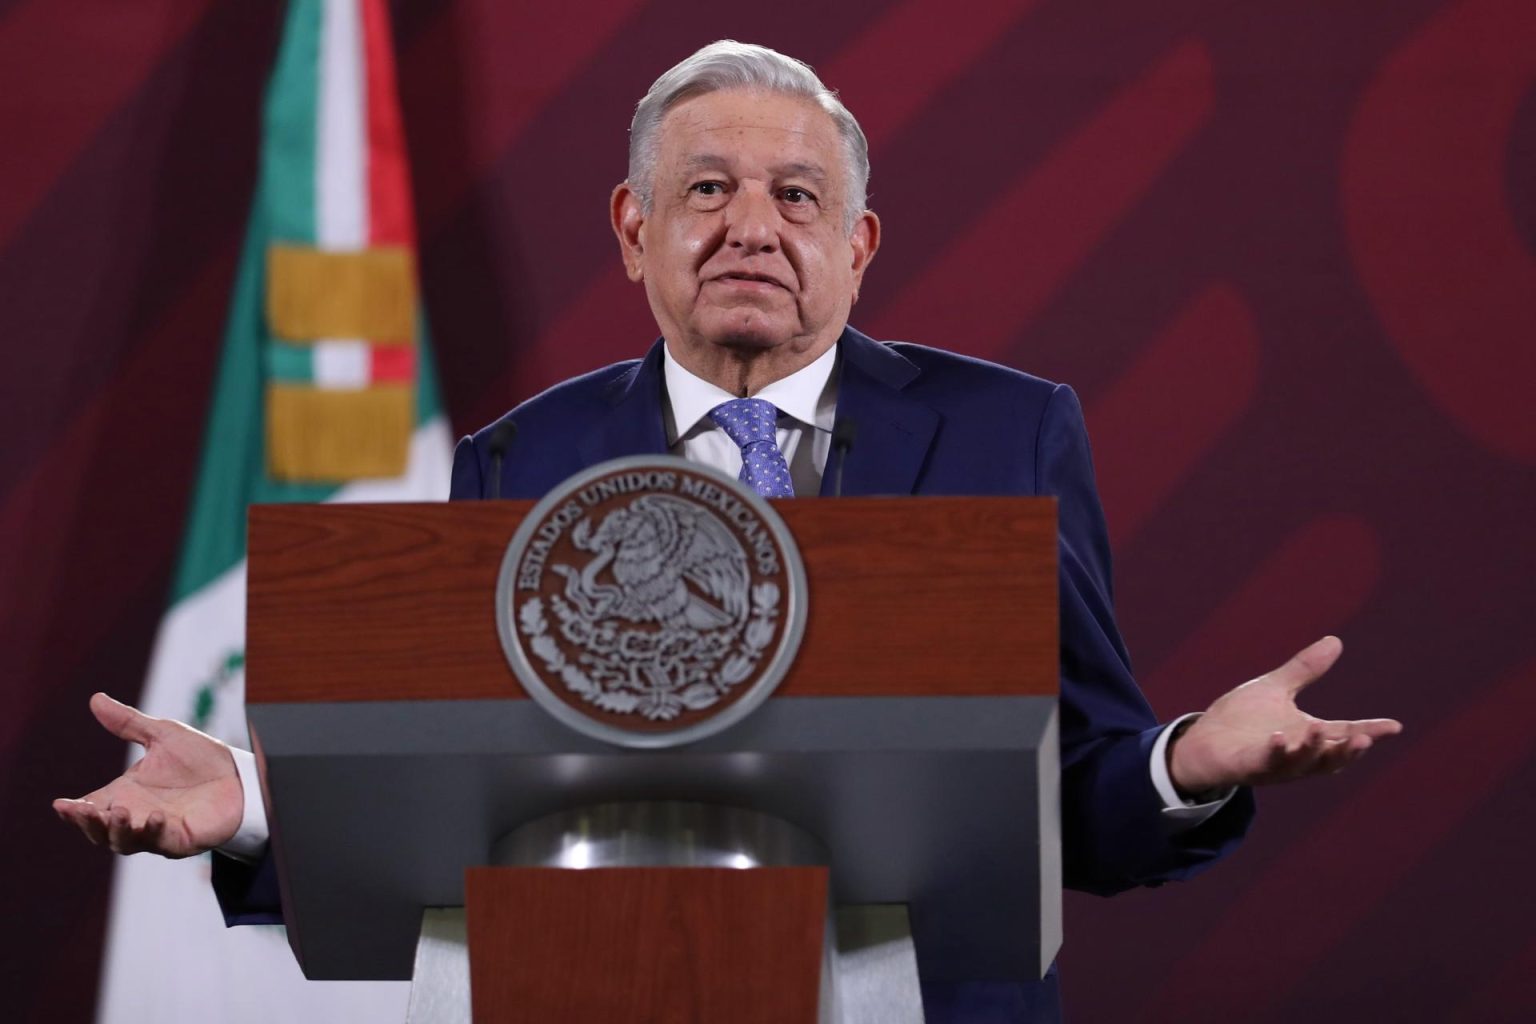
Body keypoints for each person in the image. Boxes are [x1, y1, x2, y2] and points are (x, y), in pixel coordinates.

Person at [56, 41, 1401, 1023]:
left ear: (859, 243)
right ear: (633, 230)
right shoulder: (524, 459)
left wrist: (1182, 763)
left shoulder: (1009, 433)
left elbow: (1063, 805)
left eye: (797, 196)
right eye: (706, 190)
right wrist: (246, 808)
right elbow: (457, 797)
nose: (752, 226)